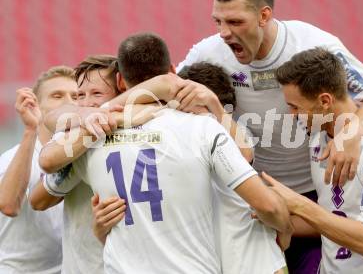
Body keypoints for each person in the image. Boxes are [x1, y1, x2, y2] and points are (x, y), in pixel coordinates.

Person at [173, 0, 363, 272]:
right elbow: (165, 88)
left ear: (264, 16)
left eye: (235, 21)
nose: (224, 32)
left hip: (315, 198)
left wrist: (350, 133)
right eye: (218, 21)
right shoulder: (210, 51)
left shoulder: (313, 45)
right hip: (253, 198)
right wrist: (112, 113)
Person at [37, 33, 293, 273]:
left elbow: (42, 178)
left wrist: (103, 114)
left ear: (120, 82)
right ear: (174, 71)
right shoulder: (203, 127)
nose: (85, 102)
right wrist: (285, 226)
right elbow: (263, 194)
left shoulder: (91, 135)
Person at [94, 61, 287, 274]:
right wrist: (100, 229)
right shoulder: (170, 143)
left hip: (252, 262)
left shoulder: (229, 137)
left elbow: (247, 158)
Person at [261, 47, 363, 273]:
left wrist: (298, 204)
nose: (291, 115)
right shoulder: (317, 138)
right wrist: (271, 218)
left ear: (325, 101)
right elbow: (332, 218)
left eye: (295, 107)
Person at [30, 55, 124, 274]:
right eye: (81, 95)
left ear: (121, 90)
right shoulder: (75, 135)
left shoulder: (83, 139)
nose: (87, 103)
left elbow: (37, 200)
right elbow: (37, 200)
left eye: (97, 93)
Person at [0, 66, 77, 273]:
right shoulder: (13, 160)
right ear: (37, 105)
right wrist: (30, 129)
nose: (69, 102)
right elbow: (8, 205)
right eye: (57, 95)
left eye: (76, 95)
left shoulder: (83, 156)